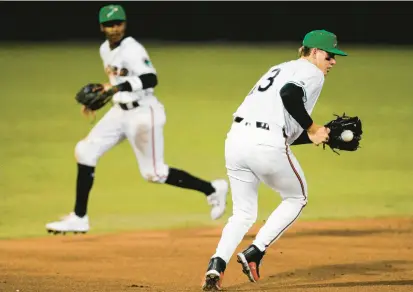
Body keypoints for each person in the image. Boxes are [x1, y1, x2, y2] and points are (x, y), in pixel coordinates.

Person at [45, 4, 228, 234]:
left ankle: (212, 189)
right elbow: (116, 82)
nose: (115, 29)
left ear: (125, 24)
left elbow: (150, 78)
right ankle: (79, 217)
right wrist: (103, 91)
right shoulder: (105, 49)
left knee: (154, 173)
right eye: (110, 25)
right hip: (119, 112)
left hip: (143, 113)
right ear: (102, 27)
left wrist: (114, 89)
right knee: (85, 150)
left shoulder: (133, 49)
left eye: (119, 23)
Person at [201, 29, 347, 290]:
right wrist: (313, 128)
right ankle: (255, 252)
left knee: (243, 213)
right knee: (296, 197)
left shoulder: (279, 68)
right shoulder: (311, 72)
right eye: (329, 55)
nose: (333, 61)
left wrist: (316, 135)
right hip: (264, 143)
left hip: (236, 139)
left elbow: (282, 129)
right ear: (314, 52)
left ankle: (216, 265)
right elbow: (289, 95)